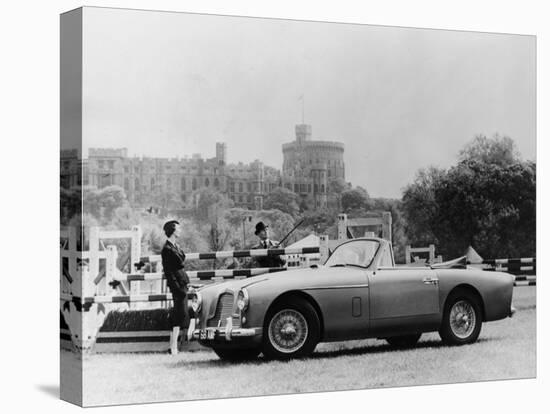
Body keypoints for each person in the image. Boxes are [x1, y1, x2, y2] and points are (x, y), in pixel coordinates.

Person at [160, 220, 190, 355]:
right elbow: (168, 271)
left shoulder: (175, 246)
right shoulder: (167, 249)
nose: (180, 230)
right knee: (178, 315)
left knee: (180, 314)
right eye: (178, 228)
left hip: (182, 282)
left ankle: (173, 346)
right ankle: (173, 346)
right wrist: (177, 287)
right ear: (172, 231)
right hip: (177, 285)